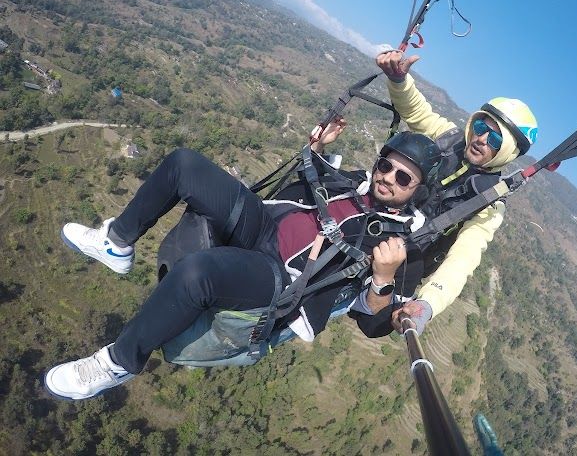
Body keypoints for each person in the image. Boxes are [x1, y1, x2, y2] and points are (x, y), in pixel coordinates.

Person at [44, 123, 442, 400]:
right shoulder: (355, 180)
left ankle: (117, 363)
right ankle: (116, 244)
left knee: (198, 274)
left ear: (418, 191)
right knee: (184, 165)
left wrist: (383, 278)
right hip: (263, 224)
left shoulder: (404, 244)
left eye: (403, 178)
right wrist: (317, 148)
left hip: (282, 278)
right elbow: (307, 185)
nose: (387, 177)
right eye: (385, 165)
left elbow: (372, 320)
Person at [375, 49, 538, 334]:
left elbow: (462, 260)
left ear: (508, 151)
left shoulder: (490, 202)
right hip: (377, 222)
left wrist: (426, 304)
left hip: (404, 259)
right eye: (480, 126)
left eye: (496, 137)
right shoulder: (449, 138)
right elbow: (416, 110)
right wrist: (398, 80)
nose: (481, 138)